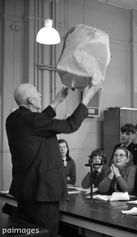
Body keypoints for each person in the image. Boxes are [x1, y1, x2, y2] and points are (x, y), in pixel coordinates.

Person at [5, 82, 99, 237]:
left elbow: (38, 121)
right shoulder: (34, 121)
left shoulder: (13, 119)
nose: (40, 94)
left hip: (25, 191)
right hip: (42, 193)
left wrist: (57, 102)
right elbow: (70, 125)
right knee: (45, 234)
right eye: (37, 92)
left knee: (30, 233)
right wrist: (86, 99)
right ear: (31, 100)